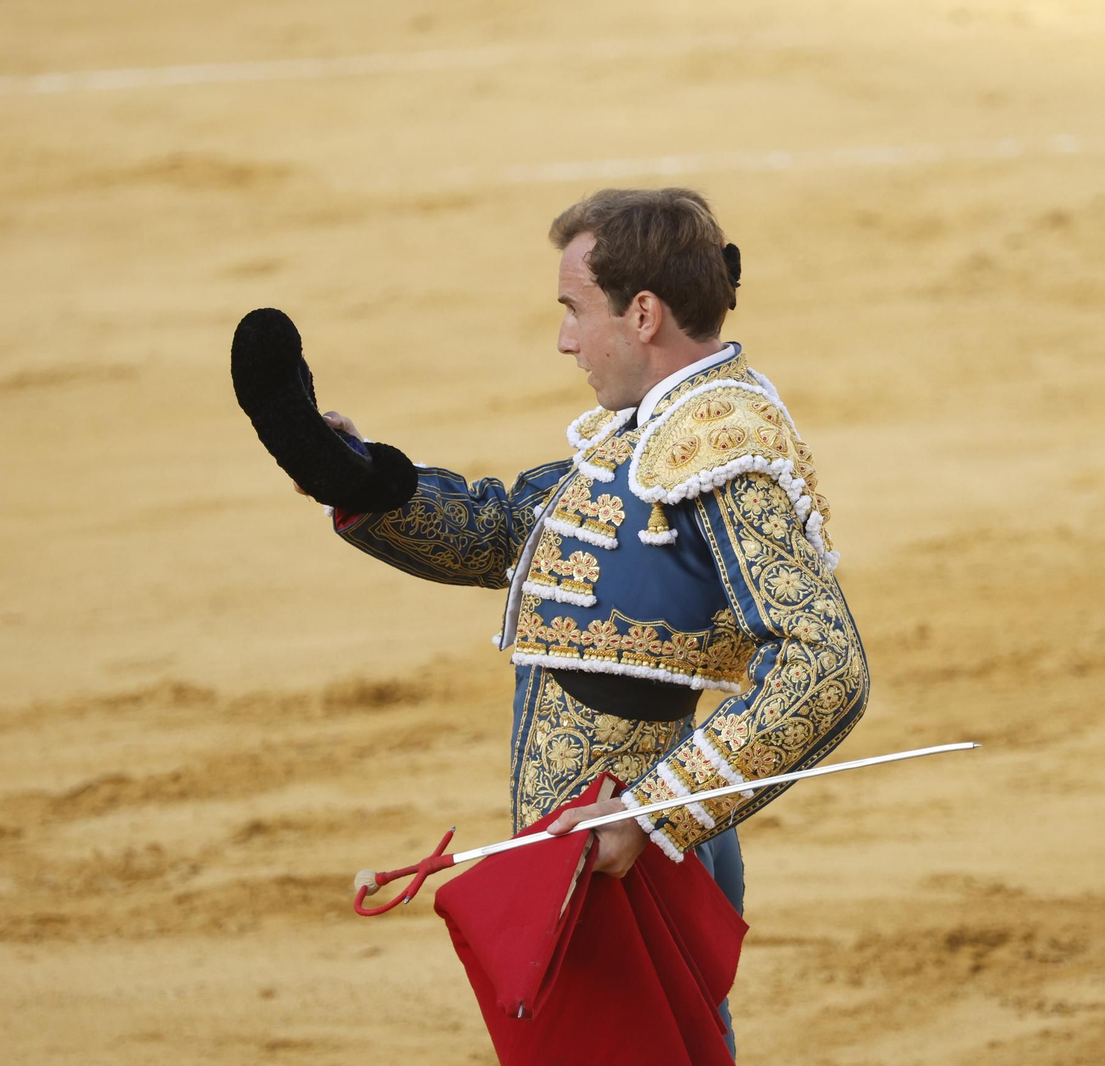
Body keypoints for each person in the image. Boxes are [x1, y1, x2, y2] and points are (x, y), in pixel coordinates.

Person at [309, 188, 868, 1054]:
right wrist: (354, 475)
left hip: (631, 857)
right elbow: (505, 534)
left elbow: (826, 665)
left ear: (642, 313)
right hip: (604, 852)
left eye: (575, 310)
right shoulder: (652, 429)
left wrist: (653, 813)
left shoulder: (718, 443)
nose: (565, 338)